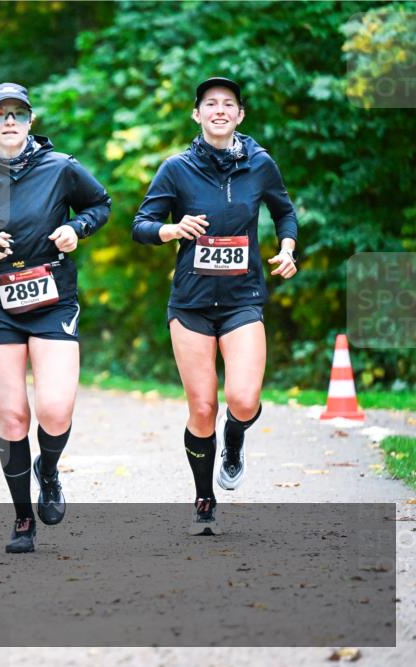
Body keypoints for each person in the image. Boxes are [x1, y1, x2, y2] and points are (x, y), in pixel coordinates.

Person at [0, 82, 111, 553]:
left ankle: (47, 471)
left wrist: (77, 227)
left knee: (54, 409)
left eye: (18, 113)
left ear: (31, 120)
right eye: (0, 114)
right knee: (12, 417)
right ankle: (22, 518)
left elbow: (100, 205)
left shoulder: (61, 167)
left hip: (53, 299)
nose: (9, 120)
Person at [131, 77, 298, 535]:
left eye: (228, 104)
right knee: (202, 407)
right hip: (192, 303)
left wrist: (287, 248)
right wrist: (170, 229)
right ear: (197, 114)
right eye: (210, 104)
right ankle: (204, 500)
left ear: (240, 115)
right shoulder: (176, 168)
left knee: (243, 400)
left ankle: (235, 441)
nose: (219, 110)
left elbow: (284, 211)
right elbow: (141, 224)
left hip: (243, 298)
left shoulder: (260, 164)